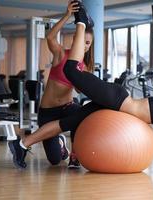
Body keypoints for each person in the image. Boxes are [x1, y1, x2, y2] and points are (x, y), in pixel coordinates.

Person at [9, 5, 153, 175]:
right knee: (70, 69)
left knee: (67, 122)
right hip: (116, 99)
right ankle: (81, 21)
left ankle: (22, 144)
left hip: (112, 106)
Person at [9, 0, 94, 169]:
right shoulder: (61, 53)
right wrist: (68, 14)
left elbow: (78, 89)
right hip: (48, 112)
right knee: (55, 160)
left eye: (87, 43)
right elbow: (49, 36)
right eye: (81, 40)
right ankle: (60, 143)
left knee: (82, 116)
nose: (83, 45)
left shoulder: (84, 66)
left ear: (90, 46)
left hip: (68, 107)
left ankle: (75, 156)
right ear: (75, 38)